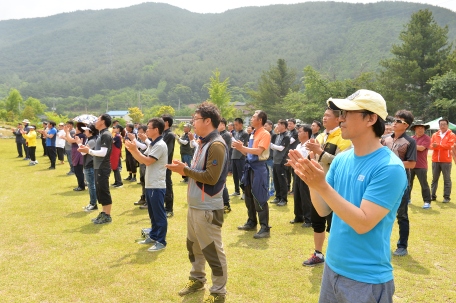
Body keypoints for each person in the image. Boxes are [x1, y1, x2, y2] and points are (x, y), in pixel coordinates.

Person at [288, 89, 406, 303]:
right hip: (332, 268)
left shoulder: (389, 168)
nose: (340, 118)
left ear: (371, 118)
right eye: (340, 113)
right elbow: (323, 209)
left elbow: (363, 223)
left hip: (366, 279)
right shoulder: (342, 159)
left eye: (347, 113)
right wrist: (311, 181)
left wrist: (321, 186)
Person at [165, 102, 228, 303]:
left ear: (208, 121)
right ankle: (197, 279)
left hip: (208, 208)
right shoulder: (202, 142)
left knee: (213, 251)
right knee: (194, 247)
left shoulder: (216, 145)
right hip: (195, 207)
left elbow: (210, 177)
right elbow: (198, 172)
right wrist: (185, 167)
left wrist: (184, 170)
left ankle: (218, 292)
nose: (192, 122)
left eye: (196, 119)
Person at [302, 107, 352, 266]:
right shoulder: (321, 136)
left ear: (338, 119)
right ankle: (318, 253)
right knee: (317, 220)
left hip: (334, 186)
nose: (324, 118)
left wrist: (319, 152)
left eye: (327, 116)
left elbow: (341, 161)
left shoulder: (344, 138)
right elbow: (316, 158)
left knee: (334, 223)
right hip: (318, 184)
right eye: (323, 115)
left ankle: (336, 254)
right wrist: (311, 157)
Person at [127, 118, 169, 252]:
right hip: (151, 184)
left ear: (156, 130)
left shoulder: (160, 145)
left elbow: (147, 161)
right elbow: (142, 159)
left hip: (156, 185)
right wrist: (134, 150)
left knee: (159, 214)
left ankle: (161, 241)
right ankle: (153, 236)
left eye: (149, 128)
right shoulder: (152, 144)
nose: (146, 131)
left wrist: (134, 150)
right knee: (152, 214)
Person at [381, 110, 416, 257]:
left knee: (401, 216)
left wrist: (392, 164)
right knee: (380, 214)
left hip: (401, 183)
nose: (394, 122)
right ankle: (380, 244)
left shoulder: (410, 141)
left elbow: (412, 164)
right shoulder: (384, 139)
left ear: (406, 125)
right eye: (394, 120)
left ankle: (402, 246)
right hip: (382, 182)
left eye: (398, 121)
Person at [233, 110, 271, 239]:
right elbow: (249, 153)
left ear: (260, 120)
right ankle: (251, 222)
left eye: (253, 117)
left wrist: (242, 148)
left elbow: (259, 151)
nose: (251, 119)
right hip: (249, 166)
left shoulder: (265, 134)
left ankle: (265, 228)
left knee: (259, 196)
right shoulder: (253, 134)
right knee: (248, 195)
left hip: (259, 168)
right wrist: (241, 148)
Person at [78, 114, 113, 224]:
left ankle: (107, 216)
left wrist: (89, 151)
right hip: (98, 166)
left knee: (104, 191)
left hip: (103, 167)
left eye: (98, 119)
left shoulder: (106, 134)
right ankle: (103, 213)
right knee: (99, 191)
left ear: (103, 122)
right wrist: (88, 149)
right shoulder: (102, 134)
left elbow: (103, 153)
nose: (96, 121)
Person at [290, 125, 312, 227]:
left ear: (306, 133)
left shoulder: (310, 145)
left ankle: (308, 219)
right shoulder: (299, 145)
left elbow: (309, 159)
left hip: (305, 172)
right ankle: (298, 216)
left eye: (300, 132)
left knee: (305, 196)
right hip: (297, 171)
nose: (298, 134)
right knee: (297, 194)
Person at [430, 118, 455, 203]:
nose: (443, 126)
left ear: (448, 125)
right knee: (434, 179)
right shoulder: (434, 135)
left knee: (447, 179)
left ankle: (446, 197)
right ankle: (432, 195)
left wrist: (438, 145)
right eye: (441, 124)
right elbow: (431, 146)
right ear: (439, 125)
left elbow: (450, 145)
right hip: (435, 160)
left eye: (444, 124)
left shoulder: (451, 135)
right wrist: (434, 146)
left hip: (446, 160)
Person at [77, 124, 99, 211]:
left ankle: (93, 204)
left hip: (90, 164)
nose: (85, 131)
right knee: (90, 185)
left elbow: (83, 152)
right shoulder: (89, 139)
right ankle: (92, 203)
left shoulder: (92, 140)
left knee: (91, 185)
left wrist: (79, 144)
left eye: (86, 130)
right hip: (88, 164)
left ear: (91, 132)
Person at [410, 122, 432, 209]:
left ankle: (427, 201)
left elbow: (421, 148)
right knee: (408, 184)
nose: (420, 129)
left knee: (424, 184)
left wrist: (410, 144)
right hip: (411, 164)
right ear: (415, 129)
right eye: (418, 128)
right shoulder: (412, 138)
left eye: (422, 128)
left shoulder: (426, 138)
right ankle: (408, 199)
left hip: (421, 165)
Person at [270, 119, 291, 206]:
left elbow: (281, 148)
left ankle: (284, 199)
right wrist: (271, 146)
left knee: (282, 181)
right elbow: (274, 147)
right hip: (275, 161)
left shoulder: (287, 136)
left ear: (283, 126)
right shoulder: (278, 135)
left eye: (278, 124)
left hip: (282, 161)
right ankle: (278, 197)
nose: (277, 126)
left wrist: (271, 145)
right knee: (276, 180)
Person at [230, 118, 249, 199]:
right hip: (234, 156)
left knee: (241, 175)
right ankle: (237, 190)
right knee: (235, 175)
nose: (235, 126)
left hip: (241, 157)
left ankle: (245, 192)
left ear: (241, 124)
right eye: (234, 125)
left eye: (236, 125)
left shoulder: (245, 133)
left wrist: (232, 138)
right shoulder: (236, 133)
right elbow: (234, 144)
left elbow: (240, 145)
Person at [64, 122, 86, 191]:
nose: (75, 128)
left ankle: (81, 186)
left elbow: (70, 140)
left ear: (79, 129)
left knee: (78, 171)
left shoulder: (81, 135)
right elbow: (69, 139)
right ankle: (81, 185)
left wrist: (67, 132)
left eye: (76, 127)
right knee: (77, 171)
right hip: (76, 155)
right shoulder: (78, 135)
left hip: (78, 155)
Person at [161, 114, 176, 218]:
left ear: (166, 122)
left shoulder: (169, 135)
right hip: (159, 165)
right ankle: (163, 207)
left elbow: (167, 151)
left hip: (166, 165)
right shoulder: (162, 133)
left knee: (167, 187)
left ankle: (169, 209)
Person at [133, 125, 149, 208]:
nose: (139, 133)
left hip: (146, 161)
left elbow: (143, 146)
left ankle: (148, 201)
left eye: (141, 131)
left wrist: (134, 139)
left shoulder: (148, 138)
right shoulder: (140, 138)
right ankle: (143, 198)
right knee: (142, 180)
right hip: (141, 161)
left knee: (147, 181)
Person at [218, 118, 232, 213]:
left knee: (222, 184)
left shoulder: (226, 135)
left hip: (223, 161)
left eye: (218, 124)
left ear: (223, 125)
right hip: (219, 161)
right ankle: (222, 204)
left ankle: (226, 204)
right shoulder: (219, 134)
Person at [286, 118, 299, 194]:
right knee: (287, 172)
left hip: (294, 154)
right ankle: (288, 188)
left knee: (294, 173)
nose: (289, 125)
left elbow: (290, 142)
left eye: (291, 124)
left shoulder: (296, 132)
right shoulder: (288, 132)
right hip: (288, 154)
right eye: (288, 123)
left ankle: (294, 190)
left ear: (294, 124)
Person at [264, 120, 276, 196]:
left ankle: (272, 190)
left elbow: (274, 146)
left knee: (272, 176)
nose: (264, 127)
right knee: (266, 175)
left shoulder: (274, 135)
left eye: (266, 126)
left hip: (271, 158)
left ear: (270, 126)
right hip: (265, 158)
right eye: (264, 126)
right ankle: (266, 189)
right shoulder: (264, 134)